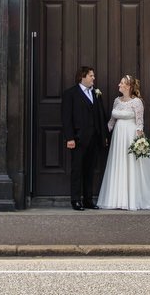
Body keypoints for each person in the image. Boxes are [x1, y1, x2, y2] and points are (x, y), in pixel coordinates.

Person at [94, 74, 150, 210]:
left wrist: (139, 140)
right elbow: (112, 122)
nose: (119, 85)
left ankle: (133, 199)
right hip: (118, 137)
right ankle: (117, 199)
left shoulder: (137, 102)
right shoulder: (116, 101)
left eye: (122, 83)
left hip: (130, 135)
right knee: (118, 163)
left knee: (131, 164)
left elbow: (140, 122)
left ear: (128, 86)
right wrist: (103, 134)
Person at [59, 65, 107, 210]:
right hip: (78, 139)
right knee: (77, 170)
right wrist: (70, 138)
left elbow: (101, 115)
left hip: (94, 138)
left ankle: (88, 199)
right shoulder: (70, 94)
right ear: (82, 77)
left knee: (90, 170)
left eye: (93, 75)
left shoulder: (96, 93)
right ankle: (75, 200)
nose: (94, 78)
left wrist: (104, 135)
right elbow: (66, 118)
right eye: (91, 75)